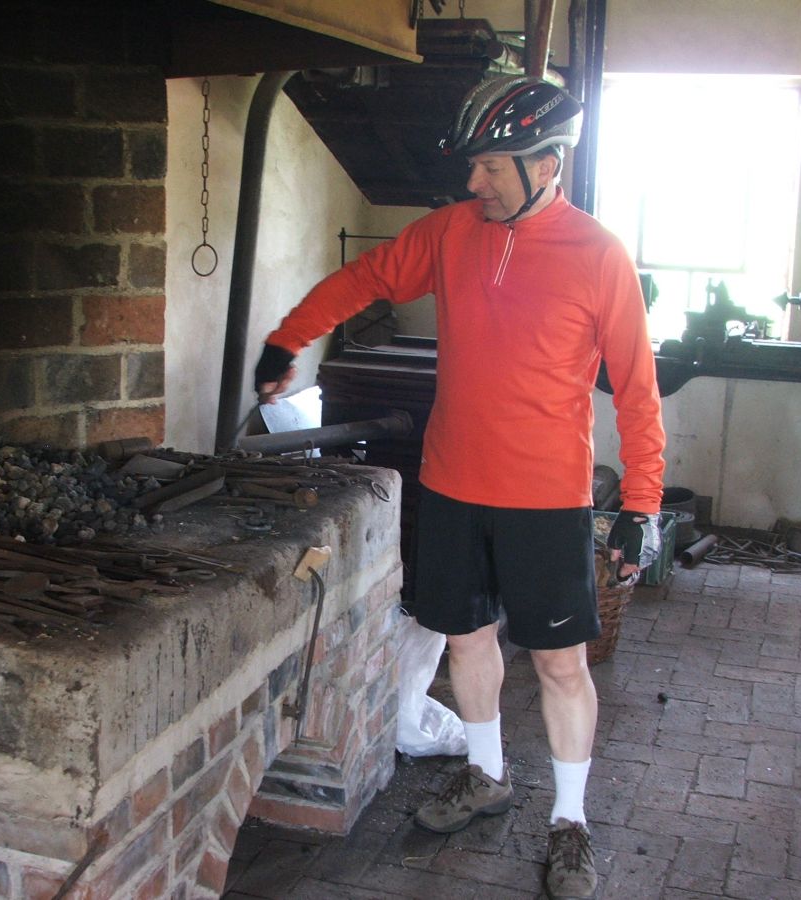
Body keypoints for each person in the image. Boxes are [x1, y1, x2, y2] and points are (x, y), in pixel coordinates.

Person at [252, 76, 665, 900]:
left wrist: (642, 504)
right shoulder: (450, 232)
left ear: (546, 165)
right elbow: (365, 279)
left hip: (548, 498)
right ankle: (486, 774)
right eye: (473, 165)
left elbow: (638, 386)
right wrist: (286, 339)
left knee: (559, 665)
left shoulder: (599, 255)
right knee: (468, 641)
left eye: (492, 167)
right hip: (451, 484)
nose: (474, 181)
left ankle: (571, 821)